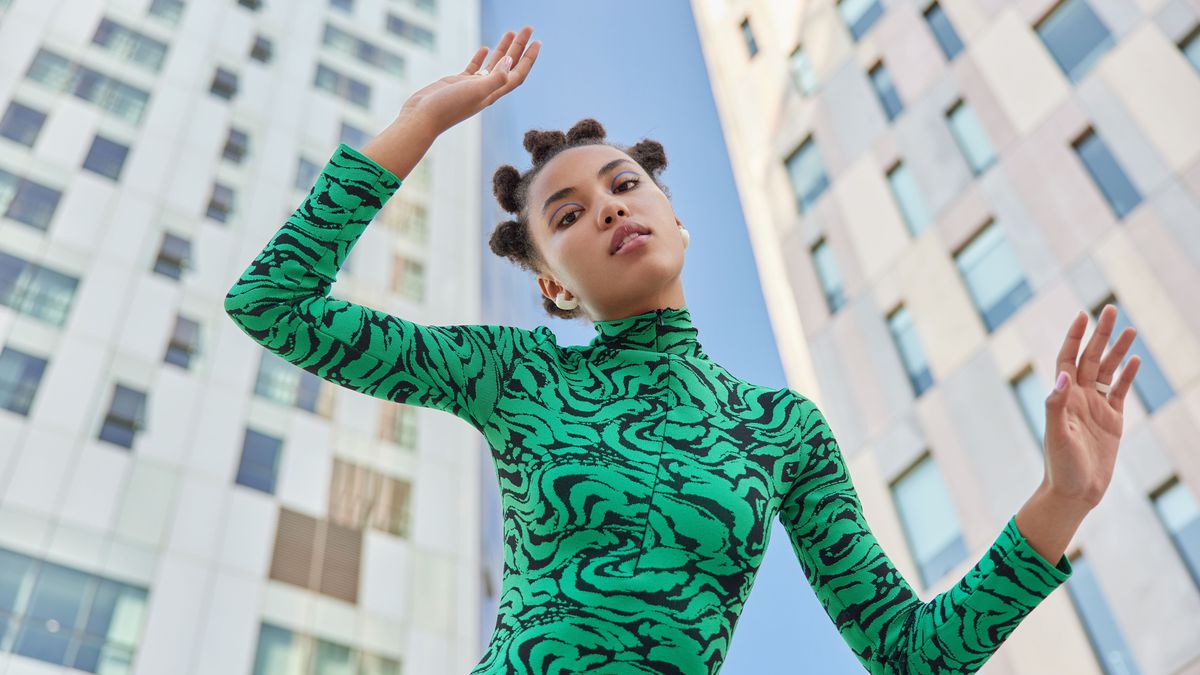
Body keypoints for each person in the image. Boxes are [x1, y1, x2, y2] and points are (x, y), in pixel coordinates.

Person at [224, 25, 1142, 675]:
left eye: (625, 185)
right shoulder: (518, 374)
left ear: (676, 219)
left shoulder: (781, 431)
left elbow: (914, 656)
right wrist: (419, 123)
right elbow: (273, 303)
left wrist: (1064, 498)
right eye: (569, 213)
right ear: (552, 285)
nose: (611, 206)